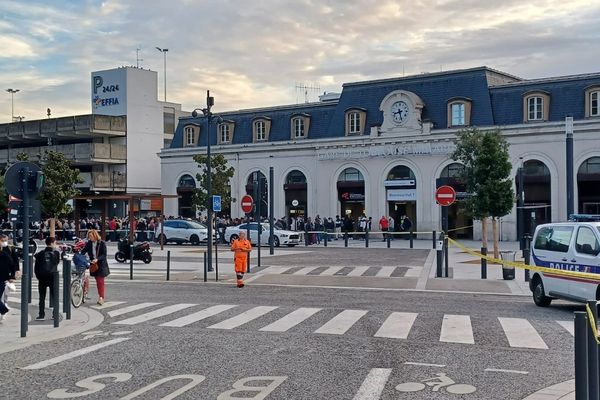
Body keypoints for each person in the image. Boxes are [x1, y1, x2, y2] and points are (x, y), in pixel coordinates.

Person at [33, 237, 60, 320]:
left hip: (42, 277)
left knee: (42, 297)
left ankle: (41, 315)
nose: (56, 244)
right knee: (54, 296)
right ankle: (55, 314)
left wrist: (38, 276)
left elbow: (36, 267)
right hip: (52, 277)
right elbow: (57, 262)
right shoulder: (56, 253)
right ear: (51, 243)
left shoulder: (40, 253)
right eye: (55, 242)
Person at [84, 229, 110, 305]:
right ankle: (99, 296)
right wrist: (79, 254)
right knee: (97, 281)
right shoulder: (89, 243)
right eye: (89, 236)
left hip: (101, 265)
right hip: (93, 264)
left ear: (95, 235)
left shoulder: (101, 243)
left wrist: (97, 259)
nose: (90, 238)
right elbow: (84, 250)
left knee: (100, 281)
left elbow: (104, 255)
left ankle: (101, 298)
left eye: (91, 236)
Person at [0, 234, 19, 320]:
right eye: (3, 240)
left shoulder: (7, 252)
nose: (4, 242)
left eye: (5, 240)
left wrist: (13, 275)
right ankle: (3, 309)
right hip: (4, 277)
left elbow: (13, 263)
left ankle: (3, 309)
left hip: (3, 278)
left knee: (4, 295)